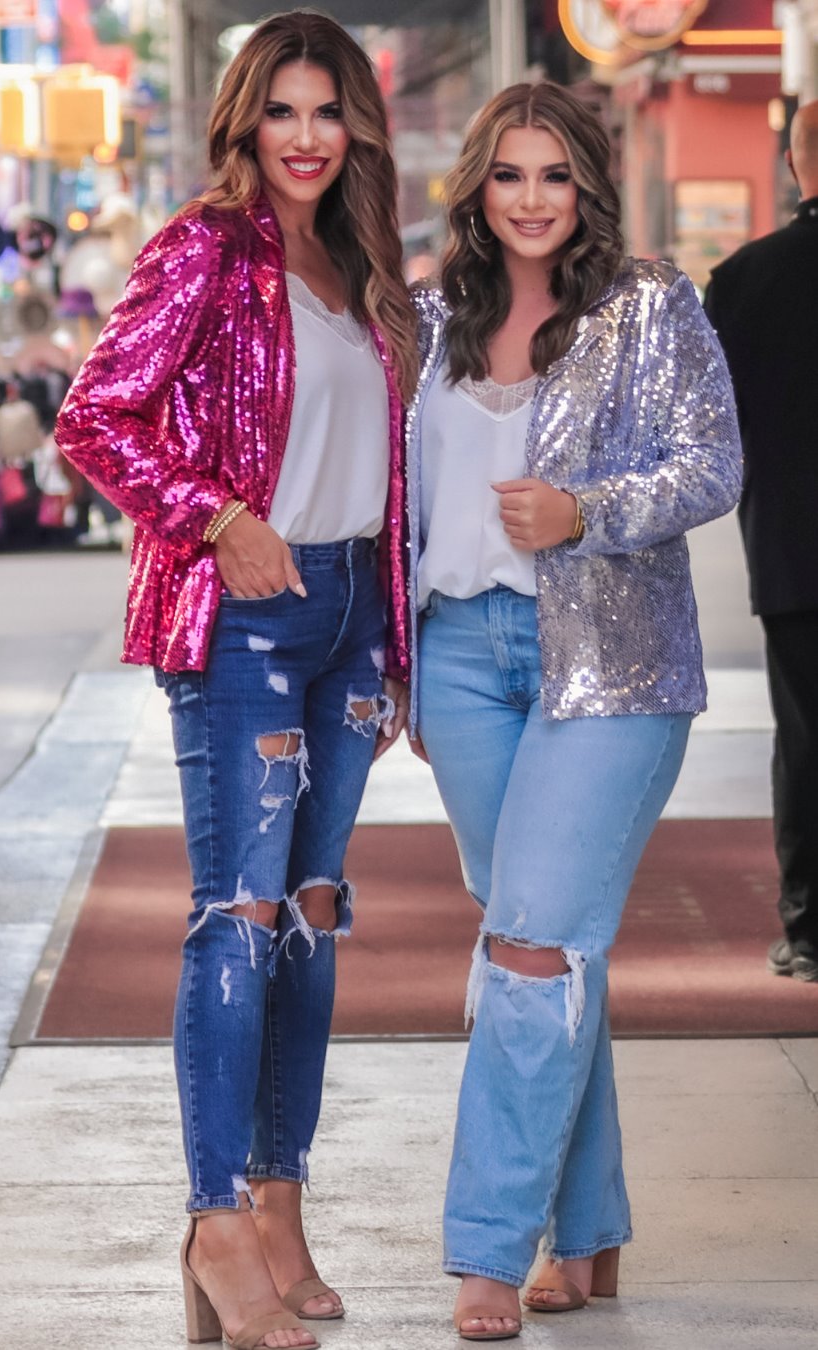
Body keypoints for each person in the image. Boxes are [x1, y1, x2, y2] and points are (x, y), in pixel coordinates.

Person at [55, 13, 416, 1349]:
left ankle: (279, 1202)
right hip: (247, 617)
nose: (308, 137)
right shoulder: (206, 246)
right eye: (285, 111)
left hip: (350, 618)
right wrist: (215, 517)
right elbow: (95, 413)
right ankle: (216, 1224)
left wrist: (401, 636)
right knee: (241, 914)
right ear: (245, 122)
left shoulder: (359, 261)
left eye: (330, 112)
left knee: (314, 914)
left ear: (356, 126)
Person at [406, 82, 741, 1341]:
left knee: (532, 949)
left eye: (555, 174)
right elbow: (407, 505)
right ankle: (588, 1233)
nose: (533, 199)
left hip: (612, 663)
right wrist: (397, 664)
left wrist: (587, 509)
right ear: (477, 188)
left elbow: (715, 464)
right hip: (462, 659)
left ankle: (491, 1251)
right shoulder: (431, 320)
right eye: (508, 174)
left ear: (587, 183)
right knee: (538, 943)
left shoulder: (649, 305)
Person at [704, 100, 818, 986]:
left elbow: (715, 429)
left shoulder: (745, 279)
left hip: (794, 549)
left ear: (793, 161)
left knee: (807, 738)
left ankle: (810, 928)